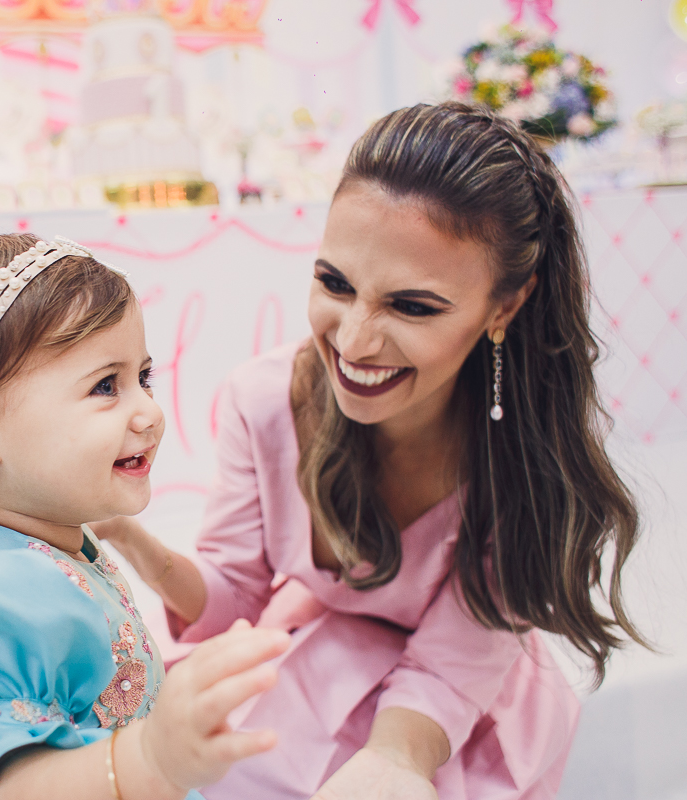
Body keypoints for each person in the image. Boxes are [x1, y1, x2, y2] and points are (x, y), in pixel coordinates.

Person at [95, 102, 647, 800]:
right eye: (334, 283)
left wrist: (395, 761)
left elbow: (454, 664)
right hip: (304, 671)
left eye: (413, 307)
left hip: (450, 715)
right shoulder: (261, 401)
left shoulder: (524, 452)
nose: (353, 343)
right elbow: (234, 598)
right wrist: (131, 542)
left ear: (505, 306)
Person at [0, 234, 291, 800]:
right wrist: (151, 757)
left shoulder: (20, 528)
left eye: (144, 377)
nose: (150, 412)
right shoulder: (3, 594)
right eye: (106, 385)